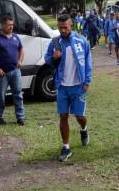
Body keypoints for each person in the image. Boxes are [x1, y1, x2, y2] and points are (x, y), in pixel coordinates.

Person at [44, 14, 92, 162]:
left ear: (71, 25)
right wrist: (54, 58)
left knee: (79, 116)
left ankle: (83, 130)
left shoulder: (82, 41)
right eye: (60, 28)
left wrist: (87, 81)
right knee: (63, 116)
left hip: (78, 86)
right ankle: (66, 147)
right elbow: (47, 60)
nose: (63, 30)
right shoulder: (55, 42)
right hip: (62, 86)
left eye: (65, 27)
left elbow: (88, 62)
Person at [0, 15, 26, 126]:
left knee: (18, 94)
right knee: (1, 95)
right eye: (9, 25)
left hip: (15, 71)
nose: (11, 27)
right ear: (2, 25)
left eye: (12, 25)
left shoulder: (15, 37)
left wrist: (20, 61)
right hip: (2, 73)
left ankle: (20, 117)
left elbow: (21, 49)